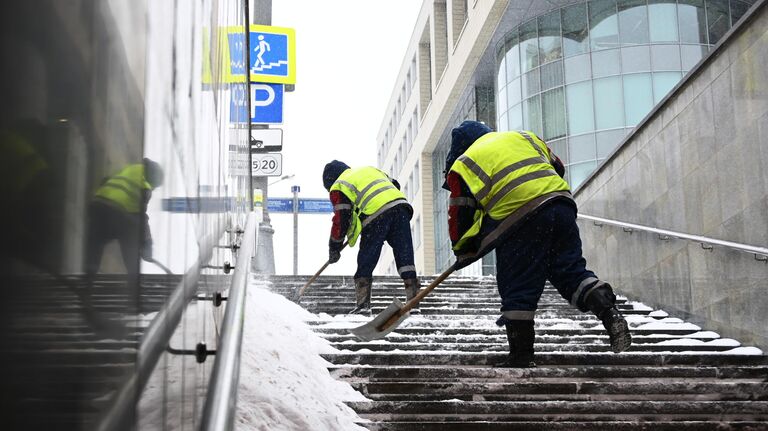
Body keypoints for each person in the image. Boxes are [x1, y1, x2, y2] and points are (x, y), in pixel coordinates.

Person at [442, 120, 631, 368]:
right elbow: (558, 167)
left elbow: (460, 215)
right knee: (571, 271)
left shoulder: (464, 163)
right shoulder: (525, 137)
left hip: (522, 218)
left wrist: (462, 248)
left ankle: (521, 356)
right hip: (560, 204)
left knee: (517, 284)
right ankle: (609, 312)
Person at [322, 160, 420, 315]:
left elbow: (341, 220)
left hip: (376, 215)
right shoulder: (369, 169)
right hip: (400, 207)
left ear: (330, 182)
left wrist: (334, 247)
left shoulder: (339, 185)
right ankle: (413, 300)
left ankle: (363, 305)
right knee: (405, 253)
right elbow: (395, 184)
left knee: (367, 258)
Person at [85, 158, 163, 286]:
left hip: (99, 205)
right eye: (155, 186)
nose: (153, 189)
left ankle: (88, 279)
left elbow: (105, 180)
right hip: (118, 212)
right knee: (130, 235)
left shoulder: (129, 169)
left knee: (96, 241)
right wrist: (147, 244)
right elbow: (141, 218)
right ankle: (134, 282)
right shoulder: (145, 185)